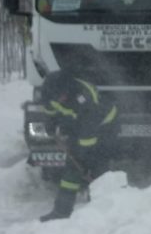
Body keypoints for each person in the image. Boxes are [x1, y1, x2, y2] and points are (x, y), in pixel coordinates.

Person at [38, 70, 118, 221]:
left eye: (62, 97)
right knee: (72, 170)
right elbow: (50, 109)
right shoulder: (49, 91)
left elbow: (88, 135)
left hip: (104, 125)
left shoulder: (85, 97)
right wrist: (50, 124)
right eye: (57, 97)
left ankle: (105, 211)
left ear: (67, 91)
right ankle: (61, 212)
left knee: (97, 163)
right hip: (78, 123)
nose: (59, 100)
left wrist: (81, 156)